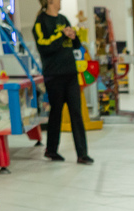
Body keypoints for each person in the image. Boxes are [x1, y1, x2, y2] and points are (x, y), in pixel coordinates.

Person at [33, 0, 94, 165]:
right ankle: (51, 150)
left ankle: (82, 153)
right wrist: (61, 35)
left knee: (76, 112)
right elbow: (44, 46)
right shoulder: (40, 23)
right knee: (56, 112)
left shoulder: (63, 19)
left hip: (70, 73)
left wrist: (74, 37)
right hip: (54, 75)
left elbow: (76, 45)